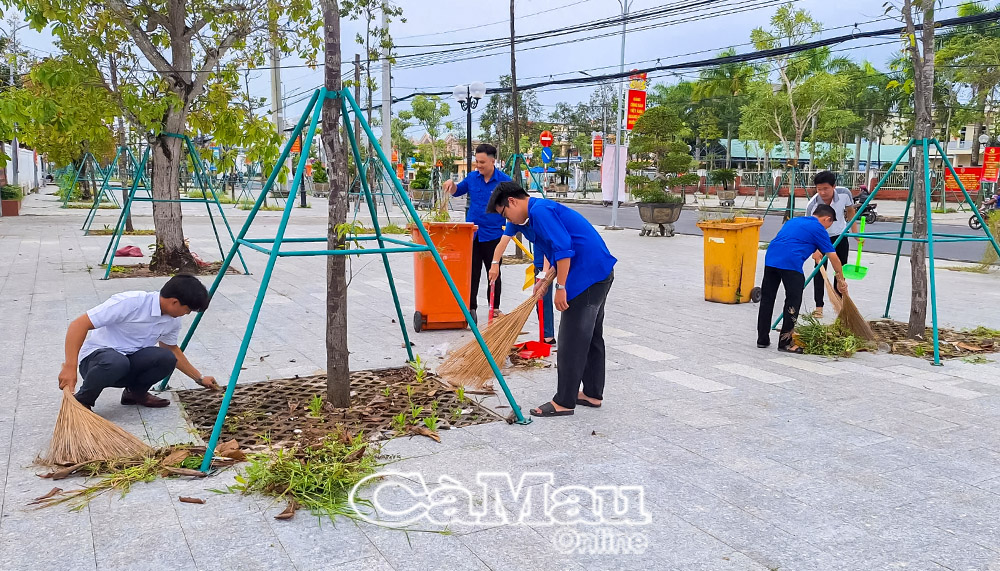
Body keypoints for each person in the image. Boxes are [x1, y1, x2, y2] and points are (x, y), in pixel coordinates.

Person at [487, 182, 617, 418]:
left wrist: (560, 287)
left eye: (505, 213)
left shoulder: (540, 211)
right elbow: (551, 248)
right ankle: (592, 394)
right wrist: (545, 279)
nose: (508, 220)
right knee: (592, 336)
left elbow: (564, 249)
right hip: (598, 271)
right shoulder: (529, 218)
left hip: (587, 276)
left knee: (571, 340)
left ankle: (564, 402)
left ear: (513, 201)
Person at [58, 274, 220, 410]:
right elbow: (78, 325)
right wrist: (70, 367)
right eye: (188, 309)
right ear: (174, 302)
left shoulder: (172, 320)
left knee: (166, 358)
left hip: (127, 363)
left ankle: (135, 393)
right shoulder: (130, 302)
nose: (187, 314)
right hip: (98, 362)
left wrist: (199, 378)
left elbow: (171, 349)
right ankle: (82, 401)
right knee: (117, 362)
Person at [757, 204, 849, 353]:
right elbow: (834, 258)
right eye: (829, 225)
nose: (827, 228)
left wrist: (815, 250)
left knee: (767, 299)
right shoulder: (819, 228)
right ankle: (785, 343)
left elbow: (796, 240)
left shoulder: (794, 221)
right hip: (790, 263)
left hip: (771, 259)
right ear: (827, 219)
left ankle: (762, 339)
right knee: (793, 301)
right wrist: (840, 280)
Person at [443, 143, 512, 323]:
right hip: (472, 235)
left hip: (494, 235)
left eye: (482, 162)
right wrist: (451, 185)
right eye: (477, 161)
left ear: (492, 161)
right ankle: (470, 307)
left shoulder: (504, 182)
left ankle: (494, 308)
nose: (478, 165)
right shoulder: (472, 178)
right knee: (472, 273)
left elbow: (515, 204)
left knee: (493, 272)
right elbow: (458, 191)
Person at [488, 222, 556, 345]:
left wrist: (545, 272)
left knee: (546, 298)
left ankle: (548, 336)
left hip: (556, 256)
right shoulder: (514, 219)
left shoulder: (538, 216)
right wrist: (494, 263)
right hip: (540, 261)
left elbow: (549, 244)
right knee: (540, 299)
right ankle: (547, 336)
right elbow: (503, 242)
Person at [805, 171, 859, 318]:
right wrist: (814, 249)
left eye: (825, 189)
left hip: (841, 236)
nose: (822, 192)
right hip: (821, 239)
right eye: (819, 189)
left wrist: (854, 232)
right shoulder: (812, 205)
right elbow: (809, 228)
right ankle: (819, 307)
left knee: (840, 271)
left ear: (834, 186)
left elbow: (850, 210)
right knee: (819, 272)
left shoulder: (844, 193)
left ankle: (840, 304)